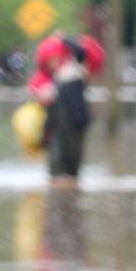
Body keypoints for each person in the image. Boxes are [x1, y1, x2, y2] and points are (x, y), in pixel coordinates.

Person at [27, 31, 105, 183]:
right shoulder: (47, 81)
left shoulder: (75, 72)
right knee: (57, 167)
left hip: (75, 125)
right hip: (55, 131)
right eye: (50, 60)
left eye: (55, 59)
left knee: (72, 167)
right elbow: (41, 104)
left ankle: (68, 195)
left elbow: (81, 53)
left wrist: (65, 39)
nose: (53, 63)